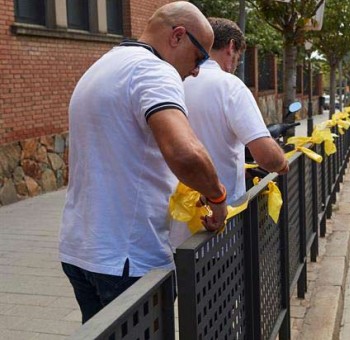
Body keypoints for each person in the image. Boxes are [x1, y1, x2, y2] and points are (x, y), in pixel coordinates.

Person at [60, 2, 229, 323]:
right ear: (178, 36)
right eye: (199, 58)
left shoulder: (103, 65)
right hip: (128, 258)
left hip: (81, 250)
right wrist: (217, 196)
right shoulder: (154, 70)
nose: (196, 70)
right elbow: (185, 152)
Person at [169, 18, 288, 249]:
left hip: (172, 224)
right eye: (238, 57)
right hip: (216, 223)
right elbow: (266, 156)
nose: (235, 64)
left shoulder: (173, 81)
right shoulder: (230, 86)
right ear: (231, 47)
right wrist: (282, 162)